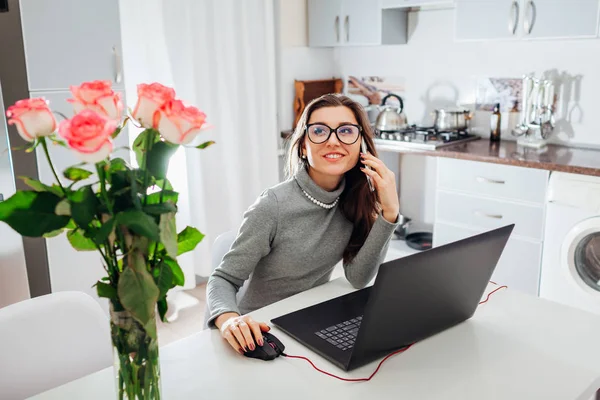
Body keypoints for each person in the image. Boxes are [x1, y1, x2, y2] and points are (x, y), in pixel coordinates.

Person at [206, 93, 400, 354]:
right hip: (264, 329)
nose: (333, 140)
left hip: (312, 320)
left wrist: (389, 212)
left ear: (360, 146)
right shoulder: (272, 205)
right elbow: (223, 279)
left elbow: (358, 277)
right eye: (319, 130)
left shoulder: (356, 198)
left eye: (346, 131)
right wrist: (230, 320)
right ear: (302, 146)